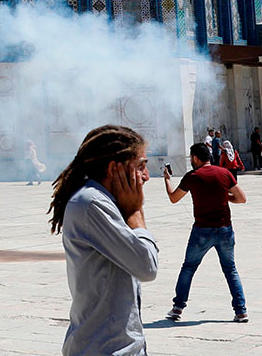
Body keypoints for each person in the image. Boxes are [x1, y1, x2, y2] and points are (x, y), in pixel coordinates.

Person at [49, 125, 158, 356]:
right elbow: (147, 267)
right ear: (114, 168)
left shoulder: (102, 201)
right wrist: (135, 214)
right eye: (141, 166)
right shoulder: (92, 203)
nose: (146, 176)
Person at [163, 142, 249, 323]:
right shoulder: (224, 173)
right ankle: (241, 310)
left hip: (202, 231)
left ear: (195, 157)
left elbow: (173, 198)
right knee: (230, 269)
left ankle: (178, 308)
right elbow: (241, 199)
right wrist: (225, 196)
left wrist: (167, 180)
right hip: (225, 229)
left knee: (188, 268)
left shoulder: (192, 176)